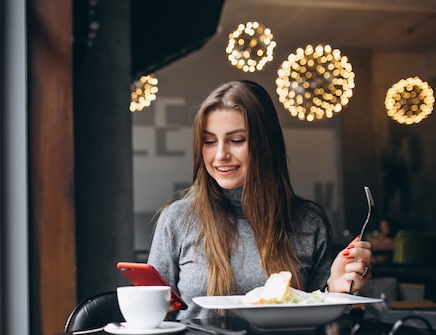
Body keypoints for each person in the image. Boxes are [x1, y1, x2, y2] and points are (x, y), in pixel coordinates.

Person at [147, 80, 373, 319]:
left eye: (236, 140)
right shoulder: (178, 219)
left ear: (266, 144)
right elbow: (153, 317)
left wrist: (336, 291)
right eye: (209, 141)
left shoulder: (308, 221)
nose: (220, 154)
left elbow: (323, 322)